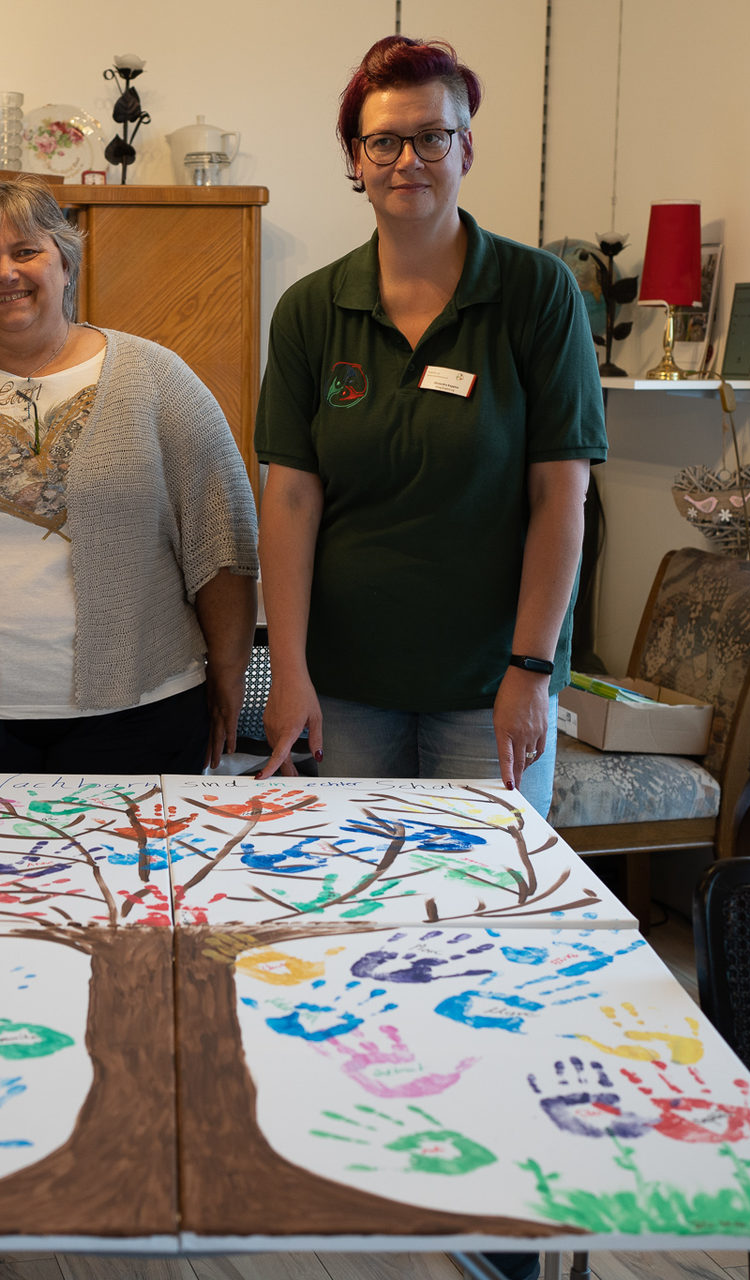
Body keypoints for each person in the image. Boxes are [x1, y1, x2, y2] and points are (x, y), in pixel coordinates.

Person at [255, 34, 606, 830]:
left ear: (466, 148)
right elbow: (292, 503)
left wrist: (531, 671)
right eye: (384, 141)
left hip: (490, 687)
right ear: (356, 158)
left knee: (483, 892)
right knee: (353, 886)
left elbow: (561, 497)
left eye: (431, 137)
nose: (407, 160)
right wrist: (289, 670)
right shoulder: (310, 310)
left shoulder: (537, 293)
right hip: (348, 688)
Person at [0, 176, 257, 774]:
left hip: (135, 715)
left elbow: (223, 542)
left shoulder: (157, 378)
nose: (5, 273)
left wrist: (229, 674)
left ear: (66, 262)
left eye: (26, 251)